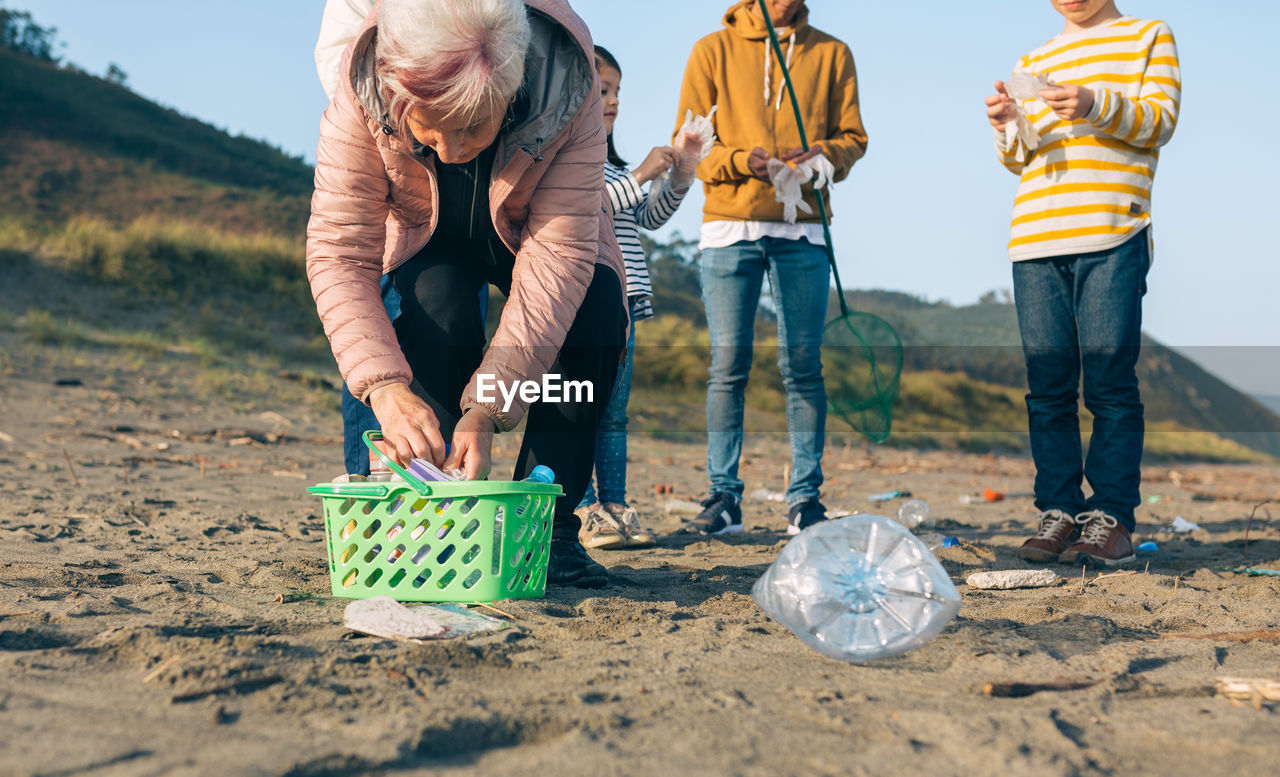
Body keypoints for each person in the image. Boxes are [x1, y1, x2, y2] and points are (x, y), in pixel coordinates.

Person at [307, 0, 629, 588]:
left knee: (592, 319)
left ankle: (550, 531)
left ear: (515, 87)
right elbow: (339, 252)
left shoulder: (568, 83)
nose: (453, 150)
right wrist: (384, 388)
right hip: (429, 226)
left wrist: (487, 409)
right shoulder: (363, 92)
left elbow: (556, 261)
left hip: (543, 229)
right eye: (430, 129)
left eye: (472, 128)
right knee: (437, 309)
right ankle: (434, 521)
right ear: (395, 93)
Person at [984, 0, 1180, 567]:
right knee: (1047, 388)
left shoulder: (1148, 35)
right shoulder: (1036, 57)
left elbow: (1159, 122)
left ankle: (1111, 517)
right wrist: (1006, 126)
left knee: (1110, 384)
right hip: (1036, 238)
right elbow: (1020, 159)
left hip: (1112, 232)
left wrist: (1096, 103)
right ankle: (1060, 511)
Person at [671, 0, 867, 536]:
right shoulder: (711, 50)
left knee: (803, 365)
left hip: (803, 230)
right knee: (728, 365)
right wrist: (743, 161)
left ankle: (806, 499)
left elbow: (854, 140)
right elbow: (690, 151)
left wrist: (819, 155)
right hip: (729, 228)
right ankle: (723, 497)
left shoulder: (832, 52)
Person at [574, 46, 701, 551]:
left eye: (617, 92)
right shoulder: (572, 165)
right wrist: (642, 175)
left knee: (613, 413)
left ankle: (617, 505)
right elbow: (592, 211)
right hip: (579, 304)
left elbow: (646, 217)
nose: (613, 102)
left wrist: (681, 173)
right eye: (603, 90)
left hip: (624, 309)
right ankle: (584, 508)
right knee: (580, 405)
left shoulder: (611, 168)